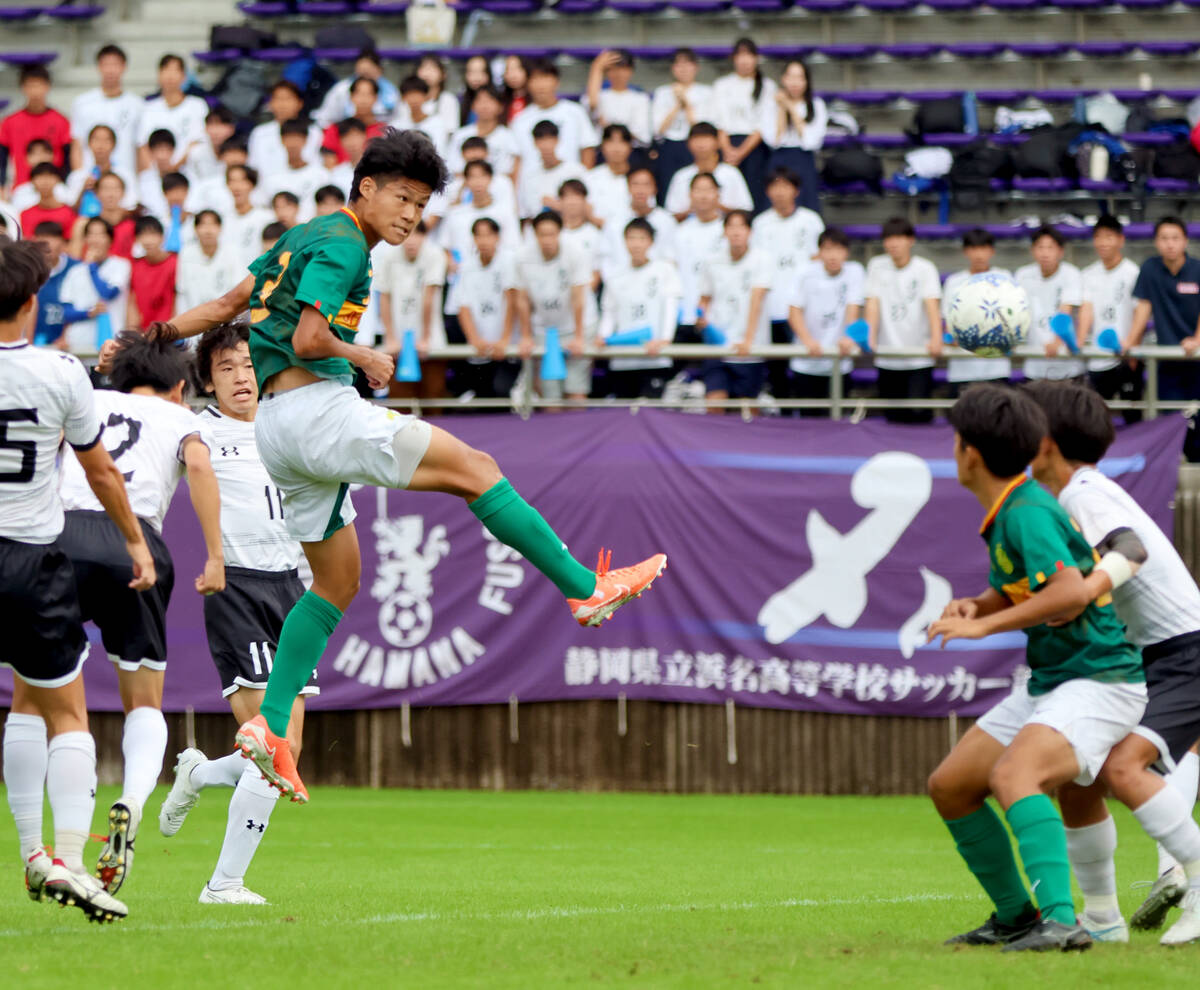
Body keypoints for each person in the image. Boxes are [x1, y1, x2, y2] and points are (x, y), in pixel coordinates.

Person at [106, 129, 667, 802]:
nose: (411, 215)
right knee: (476, 469)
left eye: (422, 206)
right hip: (317, 410)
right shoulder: (344, 244)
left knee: (337, 581)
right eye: (402, 197)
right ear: (366, 187)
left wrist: (157, 333)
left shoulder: (306, 235)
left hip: (279, 432)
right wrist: (366, 356)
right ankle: (582, 588)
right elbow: (314, 337)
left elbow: (229, 307)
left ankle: (269, 729)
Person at [925, 383, 1146, 952]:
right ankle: (1017, 917)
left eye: (955, 439)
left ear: (969, 453)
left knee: (1014, 778)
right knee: (951, 787)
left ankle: (1061, 921)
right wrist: (983, 603)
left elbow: (1070, 592)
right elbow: (1038, 585)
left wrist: (979, 627)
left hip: (1099, 679)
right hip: (1057, 679)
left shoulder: (1025, 512)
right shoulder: (1012, 509)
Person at [0, 237, 152, 923]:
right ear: (33, 303)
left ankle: (34, 855)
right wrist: (132, 540)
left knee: (27, 704)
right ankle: (60, 857)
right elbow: (101, 472)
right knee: (63, 709)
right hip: (30, 562)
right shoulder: (62, 373)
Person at [1024, 380, 1200, 946]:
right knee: (1081, 778)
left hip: (1186, 649)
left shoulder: (1082, 495)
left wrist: (1080, 593)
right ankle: (1102, 922)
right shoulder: (1074, 493)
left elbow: (1131, 550)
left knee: (1121, 768)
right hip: (1156, 653)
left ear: (1045, 443)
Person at [57, 331, 222, 894]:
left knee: (51, 693)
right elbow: (199, 468)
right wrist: (216, 554)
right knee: (144, 702)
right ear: (180, 388)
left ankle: (63, 842)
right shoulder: (180, 418)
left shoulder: (88, 399)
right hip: (137, 545)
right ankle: (129, 801)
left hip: (60, 536)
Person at [158, 323, 316, 904]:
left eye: (247, 365)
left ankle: (198, 775)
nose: (240, 376)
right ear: (208, 380)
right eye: (225, 367)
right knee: (273, 747)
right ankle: (223, 884)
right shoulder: (199, 433)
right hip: (238, 587)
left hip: (293, 591)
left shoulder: (287, 426)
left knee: (286, 750)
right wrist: (216, 556)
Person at [1121, 216, 1200, 461]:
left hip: (1196, 361)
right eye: (1164, 238)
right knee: (1169, 427)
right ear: (1156, 242)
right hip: (1167, 365)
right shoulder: (1150, 269)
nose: (1170, 244)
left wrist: (1197, 339)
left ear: (1185, 241)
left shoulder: (1197, 269)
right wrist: (1132, 343)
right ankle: (1170, 492)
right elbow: (1143, 308)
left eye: (1175, 238)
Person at [752, 167, 823, 399]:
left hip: (803, 307)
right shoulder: (760, 224)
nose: (780, 192)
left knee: (806, 363)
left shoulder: (811, 221)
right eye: (775, 186)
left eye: (785, 186)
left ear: (796, 190)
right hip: (772, 307)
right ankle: (781, 412)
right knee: (777, 368)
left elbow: (817, 261)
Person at [864, 217, 942, 424]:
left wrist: (936, 338)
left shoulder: (925, 268)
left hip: (918, 356)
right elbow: (872, 303)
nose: (893, 243)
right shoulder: (876, 266)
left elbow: (932, 305)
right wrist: (869, 336)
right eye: (889, 238)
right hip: (887, 354)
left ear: (911, 240)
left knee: (919, 415)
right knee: (892, 416)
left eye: (899, 237)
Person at [515, 208, 595, 403]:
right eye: (542, 234)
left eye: (551, 234)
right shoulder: (522, 257)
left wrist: (578, 336)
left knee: (575, 388)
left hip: (578, 326)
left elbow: (578, 297)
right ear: (535, 235)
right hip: (544, 329)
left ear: (560, 232)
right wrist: (525, 335)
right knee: (549, 393)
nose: (547, 239)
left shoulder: (576, 253)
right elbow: (522, 299)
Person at [597, 217, 680, 399]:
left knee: (650, 413)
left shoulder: (664, 270)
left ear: (650, 241)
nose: (636, 244)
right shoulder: (615, 276)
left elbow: (670, 307)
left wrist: (665, 339)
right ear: (624, 241)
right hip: (623, 359)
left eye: (641, 238)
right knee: (625, 416)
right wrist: (603, 336)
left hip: (654, 357)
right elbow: (609, 313)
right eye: (632, 238)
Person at [697, 210, 771, 413]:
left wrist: (748, 339)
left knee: (748, 411)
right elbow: (704, 298)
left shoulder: (762, 259)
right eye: (731, 226)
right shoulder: (712, 261)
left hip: (748, 349)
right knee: (714, 403)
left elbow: (757, 300)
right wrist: (701, 317)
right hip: (718, 346)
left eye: (741, 226)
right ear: (724, 231)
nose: (736, 232)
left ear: (750, 232)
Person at [787, 227, 864, 415]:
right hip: (807, 362)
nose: (833, 255)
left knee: (837, 421)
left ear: (846, 252)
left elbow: (853, 307)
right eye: (827, 249)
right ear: (819, 252)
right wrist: (808, 341)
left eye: (838, 249)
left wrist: (848, 336)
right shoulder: (804, 273)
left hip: (839, 362)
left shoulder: (855, 272)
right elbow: (794, 311)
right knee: (809, 423)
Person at [377, 220, 448, 410]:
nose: (411, 241)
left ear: (424, 236)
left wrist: (426, 337)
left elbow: (429, 298)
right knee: (400, 405)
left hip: (431, 342)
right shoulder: (389, 256)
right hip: (397, 346)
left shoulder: (435, 255)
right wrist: (390, 337)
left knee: (433, 400)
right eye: (407, 234)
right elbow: (384, 297)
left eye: (417, 235)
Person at [1078, 215, 1143, 420]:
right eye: (1098, 237)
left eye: (1109, 236)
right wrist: (1080, 341)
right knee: (1095, 418)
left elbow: (1139, 312)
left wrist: (1133, 348)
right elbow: (1086, 310)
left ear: (1121, 240)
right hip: (1098, 359)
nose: (1103, 242)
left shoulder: (1133, 272)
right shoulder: (1088, 274)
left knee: (1132, 416)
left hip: (1125, 356)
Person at [455, 217, 520, 401]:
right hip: (481, 347)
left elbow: (512, 300)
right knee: (482, 396)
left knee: (502, 392)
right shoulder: (467, 266)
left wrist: (505, 339)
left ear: (497, 237)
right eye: (479, 236)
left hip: (508, 345)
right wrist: (474, 339)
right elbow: (463, 306)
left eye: (488, 235)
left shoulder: (508, 260)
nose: (484, 241)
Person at [942, 228, 1012, 392]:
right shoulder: (954, 282)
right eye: (974, 248)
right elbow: (947, 325)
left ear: (992, 251)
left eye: (983, 248)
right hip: (962, 370)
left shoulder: (1005, 278)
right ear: (966, 251)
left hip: (996, 369)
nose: (979, 254)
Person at [712, 39, 775, 215]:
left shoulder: (768, 86)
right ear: (733, 58)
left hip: (755, 147)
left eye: (749, 55)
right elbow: (720, 121)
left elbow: (763, 124)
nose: (744, 60)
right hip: (727, 146)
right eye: (740, 55)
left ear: (756, 58)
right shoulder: (722, 85)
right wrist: (728, 150)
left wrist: (741, 152)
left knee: (755, 195)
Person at [1016, 223, 1084, 381]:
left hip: (1068, 367)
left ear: (1061, 251)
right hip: (1034, 366)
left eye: (1050, 248)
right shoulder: (1022, 275)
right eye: (1040, 247)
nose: (1045, 253)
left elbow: (1065, 311)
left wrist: (1056, 342)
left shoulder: (1071, 273)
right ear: (1032, 250)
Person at [761, 59, 826, 215]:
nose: (795, 83)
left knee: (807, 207)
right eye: (791, 77)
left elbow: (811, 141)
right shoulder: (772, 105)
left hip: (803, 159)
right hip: (778, 160)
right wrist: (782, 107)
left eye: (800, 78)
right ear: (783, 79)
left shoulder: (816, 105)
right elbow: (774, 140)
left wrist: (791, 107)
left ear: (806, 81)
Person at [60, 216, 130, 355]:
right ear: (85, 239)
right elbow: (66, 312)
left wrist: (92, 267)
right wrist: (89, 312)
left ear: (110, 239)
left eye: (100, 234)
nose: (95, 239)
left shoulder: (121, 265)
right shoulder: (75, 272)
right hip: (78, 343)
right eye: (91, 234)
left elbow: (108, 293)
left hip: (112, 343)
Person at [70, 45, 143, 177]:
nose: (110, 70)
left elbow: (140, 147)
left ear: (124, 67)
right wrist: (79, 178)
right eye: (106, 64)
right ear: (98, 67)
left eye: (115, 64)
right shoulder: (82, 103)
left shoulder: (137, 105)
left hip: (124, 177)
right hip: (90, 177)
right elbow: (77, 145)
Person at [511, 60, 598, 168]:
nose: (541, 84)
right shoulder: (520, 120)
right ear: (527, 84)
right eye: (535, 79)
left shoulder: (575, 111)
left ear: (557, 81)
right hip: (532, 183)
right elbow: (517, 160)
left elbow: (587, 149)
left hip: (570, 181)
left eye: (545, 78)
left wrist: (582, 180)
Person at [674, 173, 727, 342]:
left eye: (708, 190)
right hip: (686, 313)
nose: (703, 195)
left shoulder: (728, 230)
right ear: (690, 195)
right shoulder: (680, 232)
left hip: (720, 316)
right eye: (698, 190)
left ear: (718, 194)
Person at [652, 48, 713, 195]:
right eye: (679, 65)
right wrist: (677, 104)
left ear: (696, 67)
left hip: (695, 146)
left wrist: (685, 103)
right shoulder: (663, 92)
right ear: (673, 69)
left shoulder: (706, 92)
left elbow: (701, 129)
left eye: (688, 64)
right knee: (668, 188)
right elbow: (658, 129)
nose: (683, 69)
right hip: (669, 145)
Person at [0, 65, 71, 192]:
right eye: (30, 86)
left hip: (53, 190)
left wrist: (64, 184)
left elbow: (68, 160)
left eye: (39, 85)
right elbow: (2, 160)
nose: (35, 91)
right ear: (23, 88)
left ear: (47, 86)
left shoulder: (61, 121)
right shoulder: (9, 122)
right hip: (21, 189)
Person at [663, 123, 752, 220]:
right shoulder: (681, 176)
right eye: (697, 139)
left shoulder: (731, 173)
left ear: (717, 142)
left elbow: (746, 212)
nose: (701, 144)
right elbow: (670, 216)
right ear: (688, 144)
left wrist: (716, 205)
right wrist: (694, 208)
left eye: (706, 139)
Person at [136, 55, 208, 172]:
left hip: (188, 174)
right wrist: (157, 173)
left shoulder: (197, 105)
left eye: (175, 70)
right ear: (159, 75)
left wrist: (173, 169)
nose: (170, 75)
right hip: (156, 176)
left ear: (184, 76)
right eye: (166, 70)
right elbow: (143, 145)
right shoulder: (148, 108)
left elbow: (196, 142)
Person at [602, 166, 676, 279]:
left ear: (655, 188)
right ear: (628, 187)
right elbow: (606, 259)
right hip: (621, 284)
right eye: (635, 184)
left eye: (646, 184)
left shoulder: (666, 221)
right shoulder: (614, 221)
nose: (640, 190)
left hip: (656, 285)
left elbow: (670, 257)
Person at [438, 159, 519, 262]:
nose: (478, 182)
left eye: (482, 176)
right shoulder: (455, 214)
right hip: (462, 272)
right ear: (466, 181)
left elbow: (513, 247)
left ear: (490, 179)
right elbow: (445, 245)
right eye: (472, 177)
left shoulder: (505, 212)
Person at [258, 120, 332, 225]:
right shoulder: (272, 178)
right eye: (288, 138)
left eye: (297, 138)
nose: (293, 144)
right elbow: (265, 208)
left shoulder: (321, 175)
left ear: (306, 140)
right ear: (282, 140)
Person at [447, 85, 521, 183]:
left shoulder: (508, 137)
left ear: (500, 107)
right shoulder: (460, 135)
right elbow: (453, 169)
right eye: (480, 100)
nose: (485, 105)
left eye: (490, 100)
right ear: (473, 106)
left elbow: (512, 172)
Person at [247, 82, 323, 177]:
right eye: (278, 99)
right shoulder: (259, 132)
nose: (282, 104)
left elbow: (315, 162)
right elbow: (254, 165)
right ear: (270, 104)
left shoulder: (313, 131)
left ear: (300, 103)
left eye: (288, 99)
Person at [175, 211, 241, 316]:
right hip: (194, 317)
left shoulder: (232, 251)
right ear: (195, 229)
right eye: (203, 225)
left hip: (226, 317)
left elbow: (238, 289)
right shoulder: (186, 252)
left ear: (220, 228)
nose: (208, 230)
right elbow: (182, 291)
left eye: (212, 225)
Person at [314, 49, 399, 131]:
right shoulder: (341, 90)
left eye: (369, 72)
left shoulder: (392, 92)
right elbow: (325, 119)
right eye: (362, 72)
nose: (365, 78)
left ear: (379, 70)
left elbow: (399, 120)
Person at [517, 120, 586, 221]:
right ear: (535, 143)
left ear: (557, 140)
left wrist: (558, 206)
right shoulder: (528, 176)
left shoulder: (576, 171)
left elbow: (587, 208)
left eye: (550, 139)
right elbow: (526, 214)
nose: (546, 145)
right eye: (541, 140)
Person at [65, 124, 137, 217]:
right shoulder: (78, 176)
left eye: (106, 140)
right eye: (96, 140)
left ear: (114, 145)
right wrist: (83, 190)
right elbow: (70, 211)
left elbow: (131, 207)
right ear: (89, 144)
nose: (100, 145)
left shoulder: (125, 174)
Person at [586, 50, 652, 151]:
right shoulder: (600, 96)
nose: (618, 73)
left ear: (631, 71)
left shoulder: (641, 98)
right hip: (604, 152)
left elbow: (641, 135)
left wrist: (613, 132)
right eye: (614, 69)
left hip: (634, 151)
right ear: (607, 72)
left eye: (623, 68)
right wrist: (597, 67)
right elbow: (593, 104)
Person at [30, 220, 82, 348]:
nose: (48, 243)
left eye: (53, 238)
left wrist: (67, 336)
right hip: (35, 343)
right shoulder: (27, 270)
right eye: (43, 238)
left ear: (63, 242)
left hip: (69, 345)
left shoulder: (77, 269)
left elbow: (82, 305)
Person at [219, 165, 275, 275]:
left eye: (242, 181)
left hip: (255, 282)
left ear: (252, 184)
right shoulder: (221, 218)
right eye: (232, 181)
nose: (236, 187)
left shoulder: (266, 218)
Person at [128, 217, 178, 331]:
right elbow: (132, 300)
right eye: (143, 235)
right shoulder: (136, 265)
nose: (148, 240)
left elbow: (177, 298)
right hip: (143, 332)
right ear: (137, 239)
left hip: (169, 330)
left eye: (152, 234)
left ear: (162, 237)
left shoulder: (175, 263)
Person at [321, 78, 386, 163]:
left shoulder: (385, 131)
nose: (363, 100)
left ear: (376, 98)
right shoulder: (335, 129)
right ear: (351, 97)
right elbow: (329, 163)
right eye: (359, 94)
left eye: (368, 94)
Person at [585, 124, 635, 227]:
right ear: (602, 146)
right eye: (611, 142)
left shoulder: (639, 177)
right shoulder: (591, 177)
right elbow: (586, 210)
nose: (616, 148)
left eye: (622, 142)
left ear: (630, 147)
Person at [394, 76, 450, 158]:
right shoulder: (397, 125)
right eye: (409, 95)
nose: (414, 99)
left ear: (426, 96)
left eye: (418, 94)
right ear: (403, 98)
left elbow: (440, 152)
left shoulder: (437, 123)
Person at [19, 162, 75, 239]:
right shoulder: (25, 214)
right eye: (40, 177)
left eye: (49, 176)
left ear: (58, 180)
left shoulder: (68, 213)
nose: (45, 182)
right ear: (32, 181)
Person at [414, 54, 460, 135]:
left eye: (432, 68)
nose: (427, 73)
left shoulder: (448, 99)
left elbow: (451, 131)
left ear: (443, 74)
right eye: (424, 68)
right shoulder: (410, 99)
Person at [458, 54, 493, 127]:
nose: (476, 77)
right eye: (471, 72)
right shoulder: (460, 100)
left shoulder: (497, 100)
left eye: (480, 72)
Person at [501, 55, 530, 124]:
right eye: (508, 70)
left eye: (517, 69)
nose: (513, 75)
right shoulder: (500, 100)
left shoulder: (535, 99)